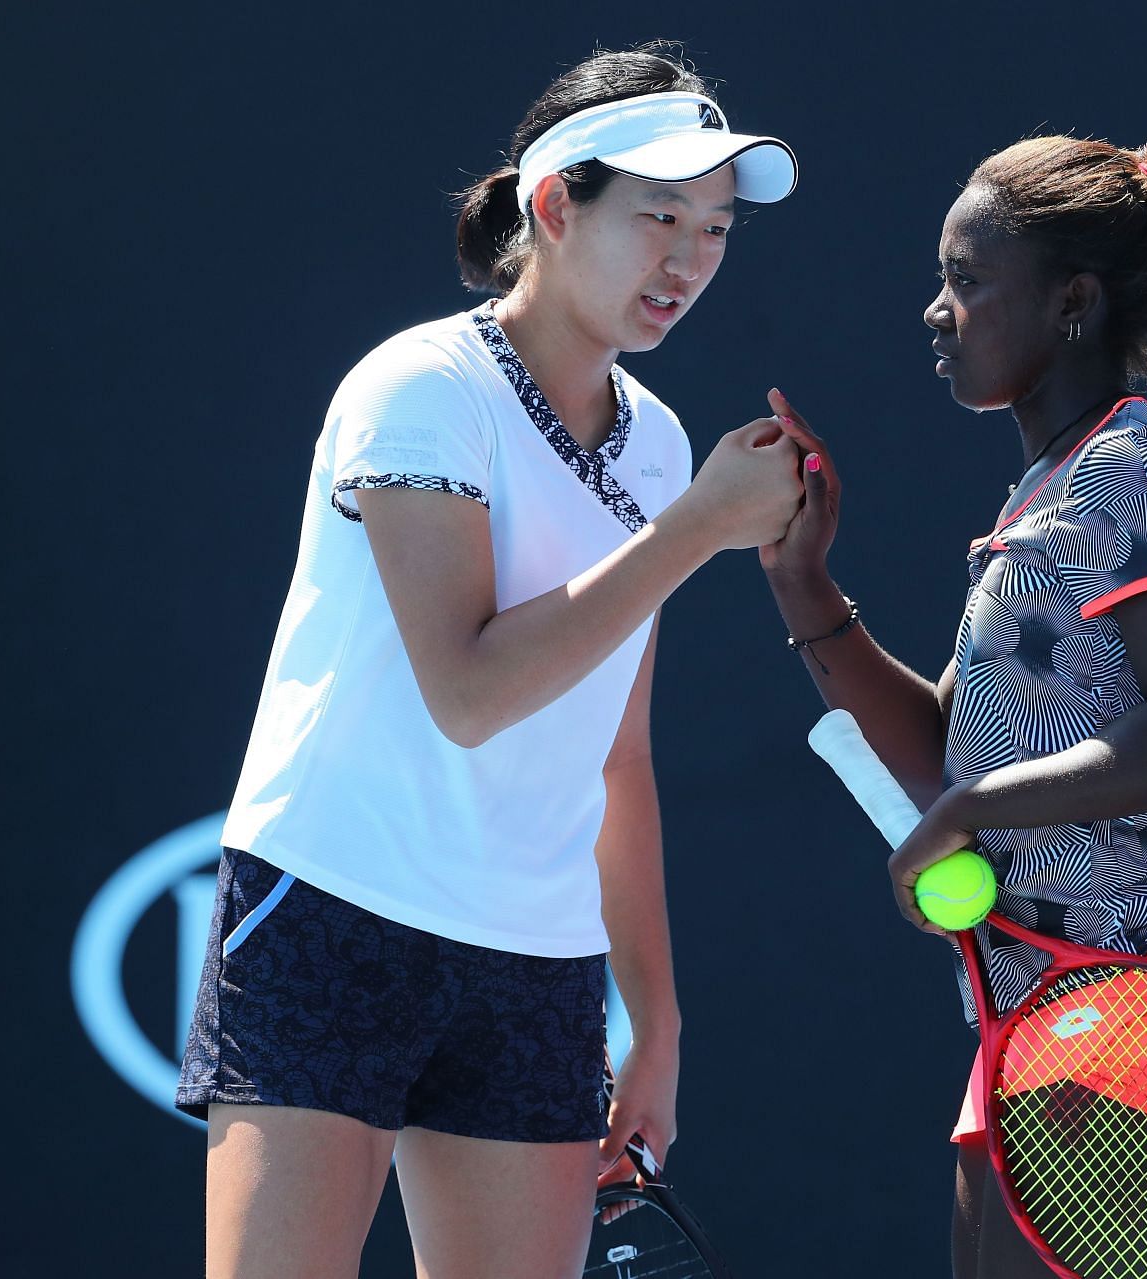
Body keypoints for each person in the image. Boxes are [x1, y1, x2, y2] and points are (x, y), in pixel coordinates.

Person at [174, 45, 804, 1278]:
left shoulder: (665, 447)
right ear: (555, 206)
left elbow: (617, 753)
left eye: (717, 228)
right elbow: (469, 692)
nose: (689, 260)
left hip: (540, 962)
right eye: (660, 216)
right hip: (333, 912)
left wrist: (656, 1028)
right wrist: (693, 532)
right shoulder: (418, 387)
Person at [759, 134, 1147, 1278]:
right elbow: (942, 763)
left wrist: (971, 814)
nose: (935, 309)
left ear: (1071, 301)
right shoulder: (1045, 494)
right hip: (1056, 1020)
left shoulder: (1134, 466)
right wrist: (803, 581)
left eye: (968, 280)